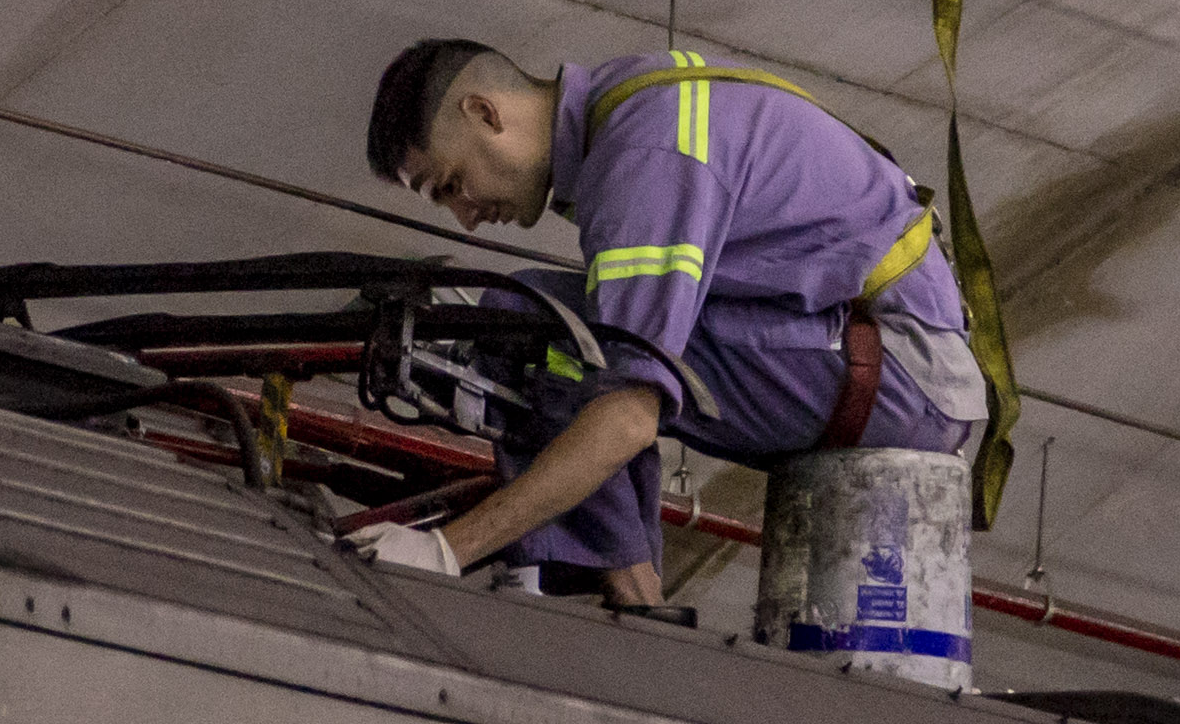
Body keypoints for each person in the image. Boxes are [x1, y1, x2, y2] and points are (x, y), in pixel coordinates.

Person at [352, 38, 983, 603]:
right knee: (552, 322)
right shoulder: (632, 104)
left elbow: (628, 415)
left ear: (485, 114)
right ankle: (614, 579)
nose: (464, 216)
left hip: (906, 377)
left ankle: (626, 593)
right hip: (880, 353)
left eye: (451, 184)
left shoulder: (643, 156)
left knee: (537, 329)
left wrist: (446, 551)